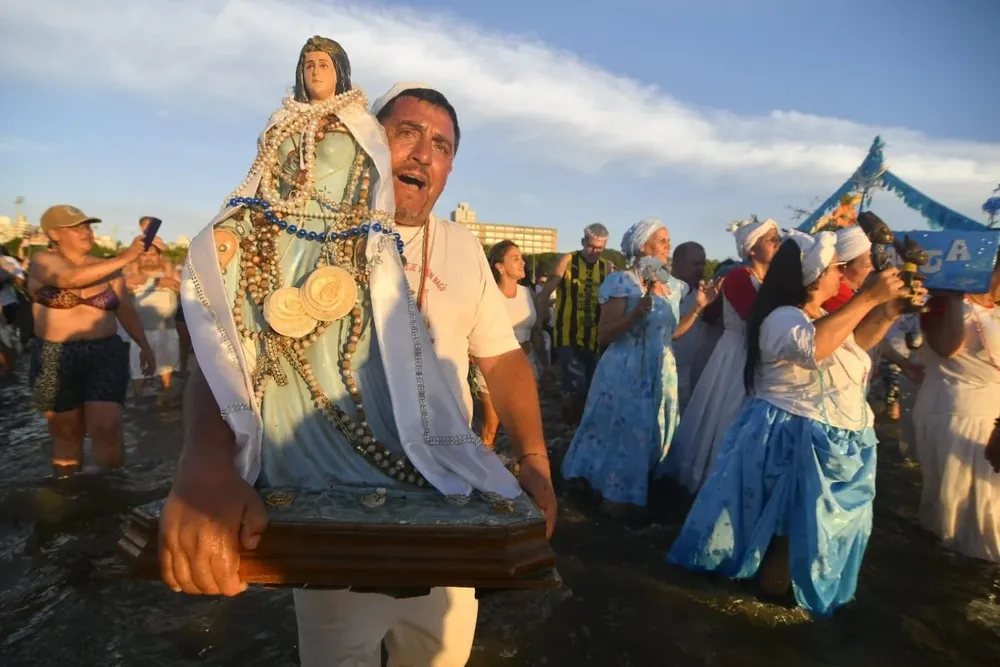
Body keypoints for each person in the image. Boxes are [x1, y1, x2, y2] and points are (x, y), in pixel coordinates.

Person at [157, 36, 555, 667]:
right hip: (335, 508)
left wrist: (533, 456)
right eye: (407, 132)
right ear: (366, 139)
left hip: (446, 502)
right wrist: (202, 466)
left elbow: (502, 360)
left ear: (450, 170)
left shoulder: (462, 246)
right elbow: (230, 346)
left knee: (439, 657)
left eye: (443, 145)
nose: (424, 152)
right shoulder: (306, 232)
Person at [668, 231, 914, 616]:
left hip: (825, 433)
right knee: (787, 533)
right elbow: (812, 348)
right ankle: (764, 616)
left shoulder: (817, 314)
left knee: (792, 535)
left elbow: (853, 342)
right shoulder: (781, 316)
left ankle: (773, 602)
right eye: (834, 269)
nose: (840, 275)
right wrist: (867, 297)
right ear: (812, 277)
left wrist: (887, 311)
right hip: (792, 437)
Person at [560, 218, 719, 510]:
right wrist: (635, 314)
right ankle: (609, 497)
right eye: (661, 241)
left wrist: (697, 308)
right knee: (622, 433)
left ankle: (644, 494)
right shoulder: (622, 282)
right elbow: (604, 334)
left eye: (668, 241)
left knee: (653, 432)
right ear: (642, 247)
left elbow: (670, 334)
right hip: (625, 370)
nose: (667, 246)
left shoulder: (674, 286)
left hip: (661, 369)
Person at [26, 205, 154, 476]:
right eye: (77, 227)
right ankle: (69, 496)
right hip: (53, 354)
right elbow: (67, 278)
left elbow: (125, 309)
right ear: (54, 233)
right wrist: (127, 256)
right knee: (65, 430)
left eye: (88, 226)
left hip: (104, 352)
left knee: (107, 427)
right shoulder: (41, 260)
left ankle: (112, 492)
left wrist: (145, 345)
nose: (87, 232)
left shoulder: (107, 267)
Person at [661, 218, 780, 493]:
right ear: (752, 249)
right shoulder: (739, 277)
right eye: (770, 238)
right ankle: (716, 480)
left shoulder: (769, 280)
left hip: (756, 354)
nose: (777, 243)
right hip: (737, 354)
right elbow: (757, 318)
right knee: (725, 414)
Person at [913, 253, 1000, 563]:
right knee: (959, 504)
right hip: (955, 408)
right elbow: (947, 348)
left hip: (993, 410)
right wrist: (953, 296)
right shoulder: (943, 302)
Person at [473, 240, 551, 447]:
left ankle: (522, 470)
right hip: (494, 366)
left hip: (525, 363)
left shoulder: (528, 294)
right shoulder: (488, 295)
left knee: (525, 423)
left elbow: (536, 332)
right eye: (515, 258)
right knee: (492, 423)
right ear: (499, 266)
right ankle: (482, 468)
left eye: (522, 258)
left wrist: (545, 364)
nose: (522, 262)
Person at [535, 223, 614, 423]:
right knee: (575, 387)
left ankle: (582, 426)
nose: (594, 252)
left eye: (600, 248)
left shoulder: (608, 267)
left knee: (594, 386)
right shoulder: (568, 260)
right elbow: (545, 293)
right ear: (582, 242)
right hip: (567, 334)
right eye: (591, 246)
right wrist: (537, 321)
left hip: (596, 338)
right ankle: (571, 427)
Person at [124, 235, 181, 397]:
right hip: (140, 333)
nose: (148, 258)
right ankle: (138, 401)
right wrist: (156, 282)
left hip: (167, 330)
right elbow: (124, 289)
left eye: (152, 255)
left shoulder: (171, 273)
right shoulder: (130, 275)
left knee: (166, 371)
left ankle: (165, 400)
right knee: (138, 370)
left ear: (159, 257)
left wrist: (168, 282)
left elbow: (182, 288)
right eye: (144, 255)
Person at [670, 241, 707, 412]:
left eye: (703, 263)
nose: (700, 269)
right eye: (695, 264)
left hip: (691, 375)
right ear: (677, 264)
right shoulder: (661, 292)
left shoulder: (703, 294)